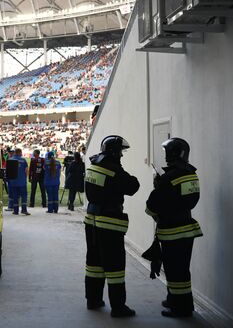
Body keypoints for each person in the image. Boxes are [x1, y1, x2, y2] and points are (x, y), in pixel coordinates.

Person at [146, 138, 202, 318]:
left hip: (171, 232)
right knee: (182, 268)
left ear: (172, 154)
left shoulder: (168, 178)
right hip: (188, 227)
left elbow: (152, 206)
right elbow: (190, 200)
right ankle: (176, 300)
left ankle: (181, 309)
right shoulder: (192, 174)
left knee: (174, 271)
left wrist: (158, 186)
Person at [84, 135, 139, 318]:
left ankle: (93, 299)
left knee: (94, 263)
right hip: (109, 222)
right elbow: (132, 186)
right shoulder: (113, 169)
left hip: (91, 221)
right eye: (121, 152)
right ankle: (118, 307)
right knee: (115, 265)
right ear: (114, 152)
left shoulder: (94, 165)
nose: (122, 156)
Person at [9, 148, 30, 215]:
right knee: (24, 196)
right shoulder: (23, 160)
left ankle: (15, 211)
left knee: (15, 196)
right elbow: (26, 170)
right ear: (20, 152)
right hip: (22, 181)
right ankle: (24, 210)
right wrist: (25, 178)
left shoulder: (10, 159)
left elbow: (8, 171)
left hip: (13, 182)